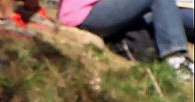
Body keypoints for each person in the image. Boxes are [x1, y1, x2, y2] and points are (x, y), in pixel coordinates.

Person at [57, 0, 194, 75]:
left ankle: (175, 59)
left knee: (162, 15)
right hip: (84, 12)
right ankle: (175, 59)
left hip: (102, 9)